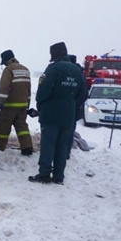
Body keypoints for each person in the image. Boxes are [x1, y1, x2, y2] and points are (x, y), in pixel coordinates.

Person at [29, 42, 87, 185]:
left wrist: (41, 106)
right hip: (68, 116)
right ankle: (59, 176)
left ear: (55, 54)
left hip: (50, 114)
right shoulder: (77, 71)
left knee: (48, 145)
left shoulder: (52, 70)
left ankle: (44, 174)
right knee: (62, 146)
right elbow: (83, 93)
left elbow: (42, 93)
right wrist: (72, 104)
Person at [0, 50, 33, 155]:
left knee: (3, 124)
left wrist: (1, 102)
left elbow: (4, 87)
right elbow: (28, 88)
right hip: (22, 104)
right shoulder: (25, 69)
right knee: (22, 126)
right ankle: (27, 146)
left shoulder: (8, 70)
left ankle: (0, 145)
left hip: (10, 105)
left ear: (6, 61)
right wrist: (27, 103)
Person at [67, 54, 87, 159]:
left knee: (67, 132)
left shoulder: (75, 73)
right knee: (69, 131)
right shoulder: (79, 73)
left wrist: (74, 103)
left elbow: (84, 93)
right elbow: (84, 93)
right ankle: (66, 152)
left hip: (71, 109)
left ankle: (65, 152)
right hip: (73, 109)